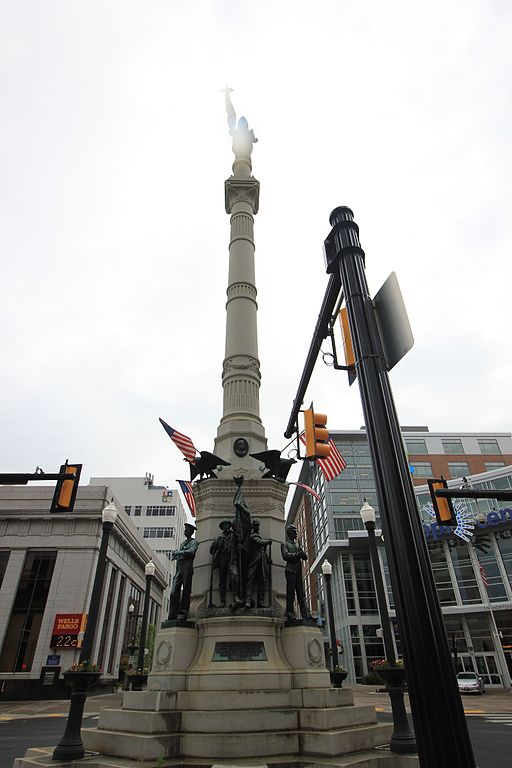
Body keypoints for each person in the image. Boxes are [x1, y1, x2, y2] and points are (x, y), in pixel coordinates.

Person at [168, 522, 198, 620]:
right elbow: (181, 554)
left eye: (187, 530)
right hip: (179, 567)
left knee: (186, 590)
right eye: (185, 530)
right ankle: (173, 613)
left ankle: (183, 612)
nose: (185, 531)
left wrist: (179, 552)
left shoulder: (194, 542)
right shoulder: (183, 543)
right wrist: (175, 555)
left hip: (187, 567)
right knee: (173, 592)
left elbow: (191, 552)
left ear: (191, 531)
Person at [281, 524, 311, 620]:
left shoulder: (296, 545)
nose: (296, 534)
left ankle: (306, 614)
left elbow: (305, 557)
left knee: (301, 594)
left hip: (298, 571)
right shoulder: (285, 544)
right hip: (290, 570)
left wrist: (301, 553)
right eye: (294, 532)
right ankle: (290, 613)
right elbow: (286, 556)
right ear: (289, 533)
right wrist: (298, 555)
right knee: (291, 593)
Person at [245, 518, 271, 609]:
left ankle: (261, 602)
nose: (258, 527)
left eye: (258, 525)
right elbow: (259, 543)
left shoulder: (257, 536)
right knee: (250, 580)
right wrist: (267, 542)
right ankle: (248, 600)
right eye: (256, 525)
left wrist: (268, 560)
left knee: (262, 582)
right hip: (253, 561)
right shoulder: (252, 536)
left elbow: (262, 551)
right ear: (253, 526)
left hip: (261, 563)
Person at [210, 519, 235, 607]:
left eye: (228, 525)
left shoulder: (234, 536)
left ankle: (235, 599)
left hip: (232, 558)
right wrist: (214, 544)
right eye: (225, 526)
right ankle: (222, 601)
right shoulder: (219, 538)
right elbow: (212, 551)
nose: (227, 527)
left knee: (234, 576)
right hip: (223, 558)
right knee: (222, 580)